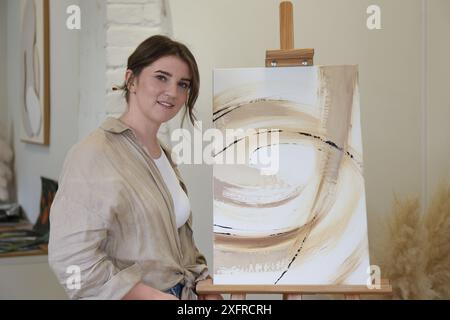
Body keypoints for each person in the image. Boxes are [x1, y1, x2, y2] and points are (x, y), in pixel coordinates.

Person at [48, 35, 222, 300]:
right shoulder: (94, 153)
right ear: (132, 80)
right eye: (161, 77)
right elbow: (71, 259)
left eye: (182, 84)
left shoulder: (164, 155)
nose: (173, 92)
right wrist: (151, 297)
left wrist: (204, 284)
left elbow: (177, 243)